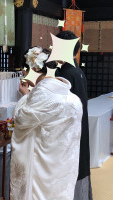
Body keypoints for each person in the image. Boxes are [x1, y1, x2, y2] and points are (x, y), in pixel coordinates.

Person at [10, 47, 83, 200]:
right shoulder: (72, 97)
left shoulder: (42, 95)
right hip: (62, 167)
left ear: (33, 69)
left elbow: (21, 119)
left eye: (24, 72)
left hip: (40, 172)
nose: (23, 77)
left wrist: (25, 96)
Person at [55, 31, 92, 200]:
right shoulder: (76, 70)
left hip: (69, 130)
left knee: (70, 169)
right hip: (78, 127)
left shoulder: (65, 74)